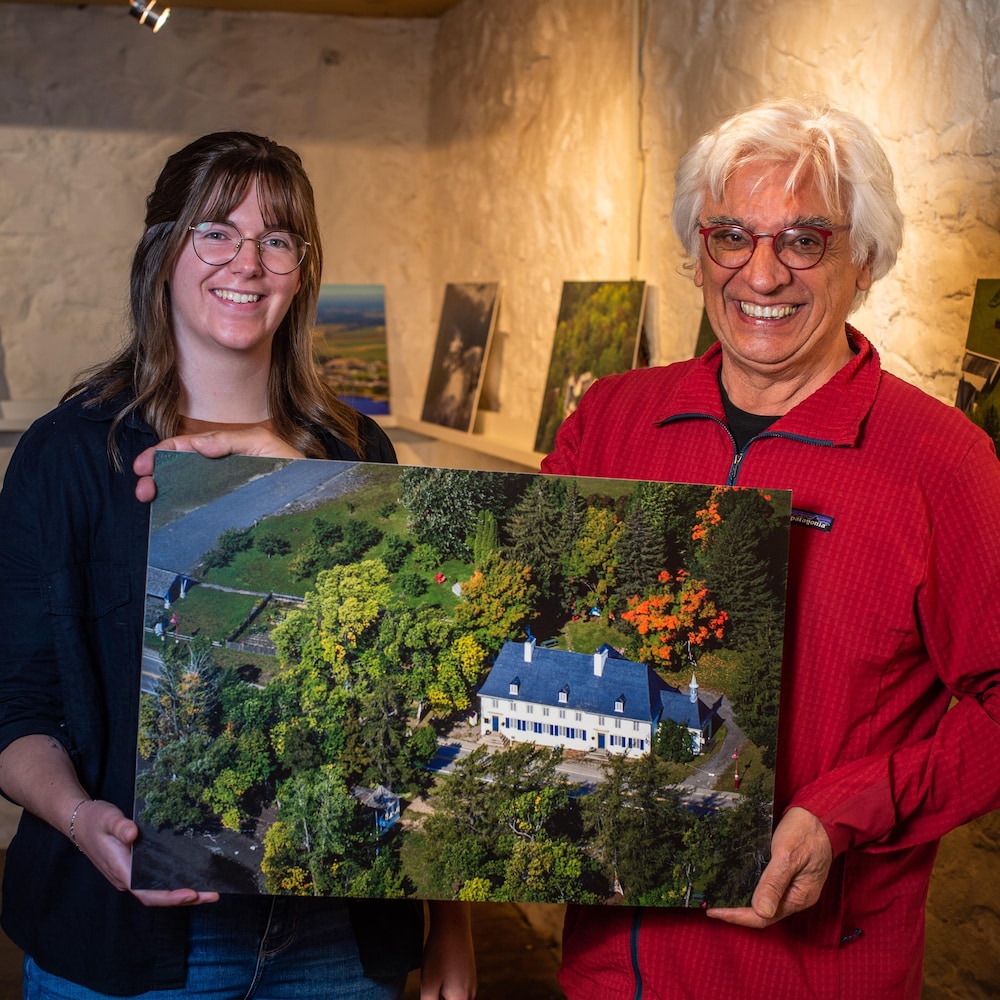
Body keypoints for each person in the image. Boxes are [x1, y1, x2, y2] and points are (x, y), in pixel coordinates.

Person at [0, 131, 476, 999]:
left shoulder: (357, 448)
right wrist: (78, 819)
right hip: (127, 946)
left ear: (302, 269)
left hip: (340, 940)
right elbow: (15, 708)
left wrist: (451, 923)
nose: (247, 262)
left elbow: (418, 701)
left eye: (278, 239)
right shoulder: (65, 457)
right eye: (216, 231)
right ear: (163, 251)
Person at [542, 98, 1000, 999]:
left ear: (862, 260)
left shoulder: (943, 461)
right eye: (731, 236)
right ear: (698, 251)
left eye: (804, 240)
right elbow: (535, 612)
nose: (762, 272)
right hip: (610, 968)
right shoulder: (612, 418)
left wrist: (848, 813)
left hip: (815, 973)